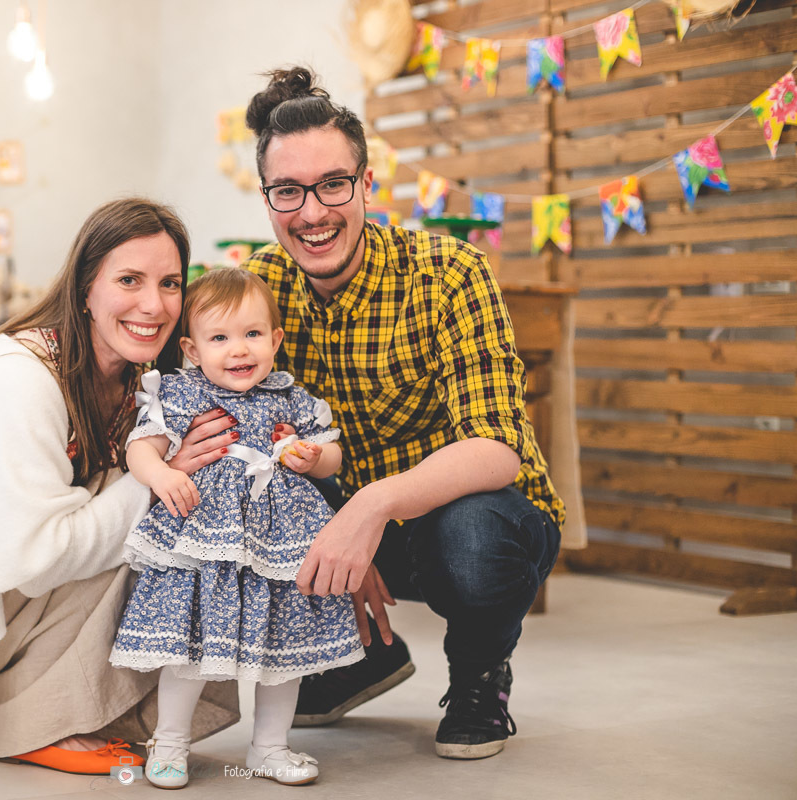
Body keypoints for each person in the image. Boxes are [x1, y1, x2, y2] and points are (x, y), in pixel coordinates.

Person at [0, 197, 244, 775]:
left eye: (170, 283)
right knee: (161, 509)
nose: (154, 305)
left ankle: (93, 706)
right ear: (85, 289)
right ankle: (30, 718)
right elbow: (34, 555)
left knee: (189, 508)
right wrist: (156, 481)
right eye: (129, 279)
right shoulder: (22, 375)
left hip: (19, 586)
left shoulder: (143, 376)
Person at [240, 67, 565, 760]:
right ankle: (357, 654)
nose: (312, 211)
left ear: (366, 185)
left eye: (333, 184)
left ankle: (480, 673)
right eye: (288, 191)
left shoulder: (448, 272)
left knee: (473, 544)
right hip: (349, 529)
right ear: (267, 199)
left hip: (476, 517)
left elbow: (495, 446)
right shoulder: (258, 288)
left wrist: (369, 509)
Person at [109, 268, 360, 788]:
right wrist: (162, 474)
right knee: (189, 649)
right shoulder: (183, 394)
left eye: (251, 334)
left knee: (281, 654)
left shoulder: (290, 398)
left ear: (275, 339)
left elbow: (333, 455)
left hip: (279, 543)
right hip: (205, 541)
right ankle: (171, 742)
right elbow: (143, 445)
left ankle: (269, 747)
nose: (238, 350)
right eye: (219, 338)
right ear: (193, 349)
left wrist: (313, 457)